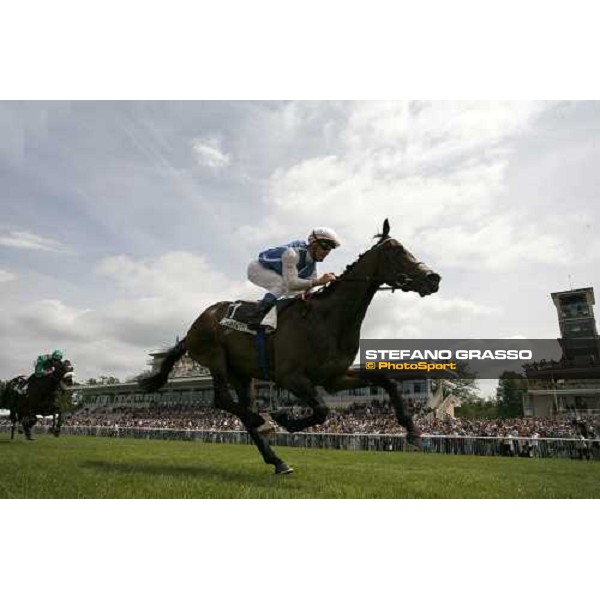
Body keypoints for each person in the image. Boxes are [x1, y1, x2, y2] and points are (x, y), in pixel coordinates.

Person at [246, 227, 341, 327]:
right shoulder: (292, 254)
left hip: (280, 275)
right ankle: (256, 315)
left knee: (299, 293)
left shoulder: (311, 268)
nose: (327, 252)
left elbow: (308, 290)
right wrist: (319, 281)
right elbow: (291, 284)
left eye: (330, 249)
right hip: (258, 269)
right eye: (325, 247)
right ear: (313, 244)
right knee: (283, 285)